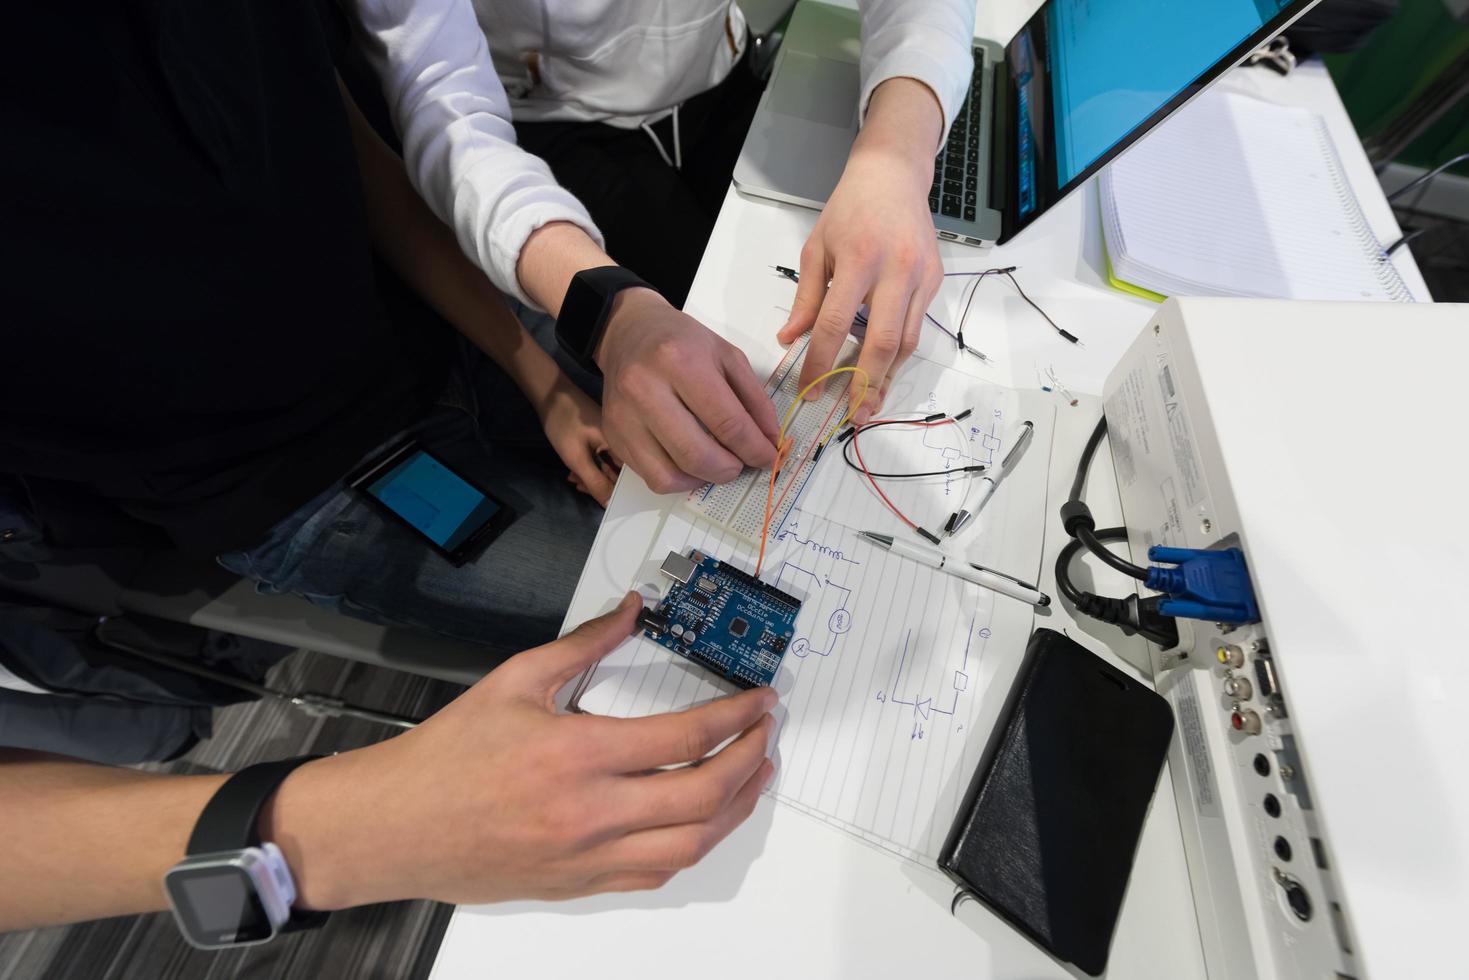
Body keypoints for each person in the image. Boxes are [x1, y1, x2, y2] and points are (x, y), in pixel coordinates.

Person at [0, 0, 773, 929]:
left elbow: (338, 137)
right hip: (294, 477)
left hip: (440, 327)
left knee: (737, 509)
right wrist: (334, 828)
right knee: (714, 637)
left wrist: (535, 369)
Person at [351, 0, 977, 462]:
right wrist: (609, 313)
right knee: (721, 373)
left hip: (720, 74)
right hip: (550, 134)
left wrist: (896, 155)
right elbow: (447, 116)